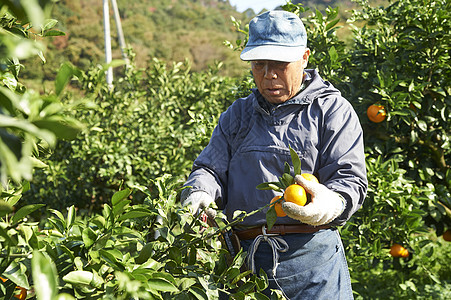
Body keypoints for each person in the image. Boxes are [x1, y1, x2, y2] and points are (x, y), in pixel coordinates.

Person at [181, 10, 367, 299]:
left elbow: (349, 180)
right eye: (259, 64)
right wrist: (199, 194)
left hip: (313, 265)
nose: (269, 75)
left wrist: (328, 205)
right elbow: (210, 169)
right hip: (246, 266)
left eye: (280, 64)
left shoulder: (331, 111)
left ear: (304, 58)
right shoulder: (238, 114)